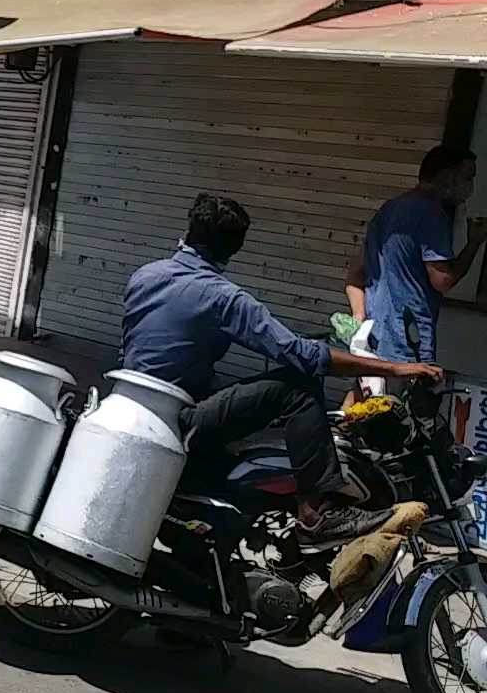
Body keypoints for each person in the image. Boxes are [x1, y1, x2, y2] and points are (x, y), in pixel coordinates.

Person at [123, 194, 442, 545]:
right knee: (297, 387)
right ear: (235, 247)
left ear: (190, 229)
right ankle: (318, 515)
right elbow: (300, 354)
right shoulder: (222, 297)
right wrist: (395, 367)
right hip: (180, 420)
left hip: (132, 408)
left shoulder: (145, 276)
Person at [344, 144, 487, 371]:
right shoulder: (432, 214)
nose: (469, 187)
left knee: (367, 399)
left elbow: (355, 274)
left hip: (375, 335)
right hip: (407, 341)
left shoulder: (390, 208)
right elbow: (443, 280)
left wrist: (359, 318)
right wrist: (474, 243)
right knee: (394, 403)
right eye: (467, 177)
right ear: (448, 175)